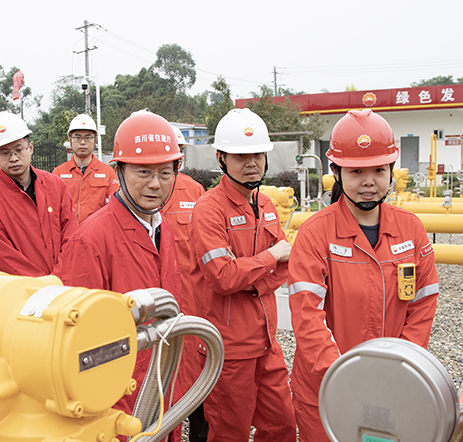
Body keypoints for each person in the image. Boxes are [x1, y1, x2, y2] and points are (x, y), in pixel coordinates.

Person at [288, 109, 439, 442]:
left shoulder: (410, 229)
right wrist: (346, 377)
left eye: (378, 170)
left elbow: (424, 302)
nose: (369, 182)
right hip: (326, 388)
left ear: (391, 172)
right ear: (337, 173)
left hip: (392, 384)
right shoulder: (316, 233)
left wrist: (401, 366)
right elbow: (307, 317)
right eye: (356, 171)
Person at [54, 109, 183, 423]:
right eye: (143, 172)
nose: (155, 184)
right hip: (117, 395)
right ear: (120, 171)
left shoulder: (165, 229)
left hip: (163, 380)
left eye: (165, 173)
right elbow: (75, 336)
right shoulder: (91, 240)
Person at [188, 108, 296, 441]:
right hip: (230, 350)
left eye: (257, 155)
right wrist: (268, 259)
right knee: (229, 433)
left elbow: (285, 267)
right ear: (221, 158)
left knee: (282, 426)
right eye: (241, 155)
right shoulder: (209, 209)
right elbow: (222, 277)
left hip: (267, 342)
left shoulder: (265, 204)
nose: (251, 162)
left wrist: (250, 277)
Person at [0, 111, 76, 277]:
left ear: (30, 148)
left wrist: (60, 277)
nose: (14, 158)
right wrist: (43, 284)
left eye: (18, 150)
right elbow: (8, 260)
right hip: (26, 292)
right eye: (5, 152)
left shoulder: (56, 186)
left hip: (66, 283)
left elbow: (72, 236)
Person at [161, 125, 208, 442]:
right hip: (158, 304)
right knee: (160, 381)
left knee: (197, 380)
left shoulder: (195, 192)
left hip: (193, 302)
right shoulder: (139, 191)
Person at [52, 113, 118, 222]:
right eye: (78, 137)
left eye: (88, 137)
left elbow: (114, 207)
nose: (82, 142)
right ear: (70, 138)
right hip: (68, 235)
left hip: (97, 234)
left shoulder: (107, 172)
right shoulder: (58, 173)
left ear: (95, 139)